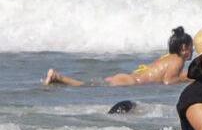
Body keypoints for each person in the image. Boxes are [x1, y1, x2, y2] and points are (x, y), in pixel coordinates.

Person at [45, 27, 192, 87]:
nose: (193, 50)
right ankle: (58, 77)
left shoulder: (167, 57)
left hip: (126, 78)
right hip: (130, 81)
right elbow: (168, 81)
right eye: (191, 47)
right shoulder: (178, 60)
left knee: (89, 85)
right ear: (184, 48)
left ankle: (57, 79)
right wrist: (189, 78)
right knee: (86, 87)